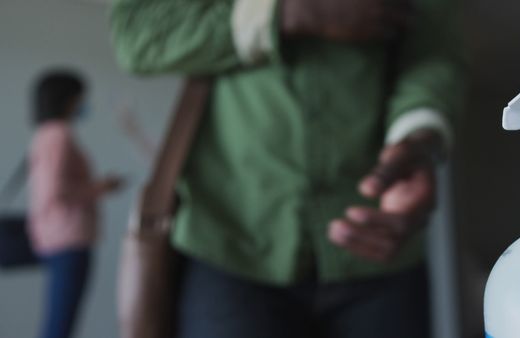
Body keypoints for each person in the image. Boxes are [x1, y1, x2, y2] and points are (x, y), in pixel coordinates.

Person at [110, 0, 464, 336]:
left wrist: (418, 137)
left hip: (379, 245)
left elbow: (433, 52)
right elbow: (139, 33)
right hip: (231, 239)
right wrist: (288, 13)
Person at [28, 70, 123, 338]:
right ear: (68, 99)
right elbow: (54, 192)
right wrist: (100, 187)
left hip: (55, 236)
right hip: (67, 238)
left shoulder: (45, 134)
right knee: (59, 328)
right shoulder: (59, 136)